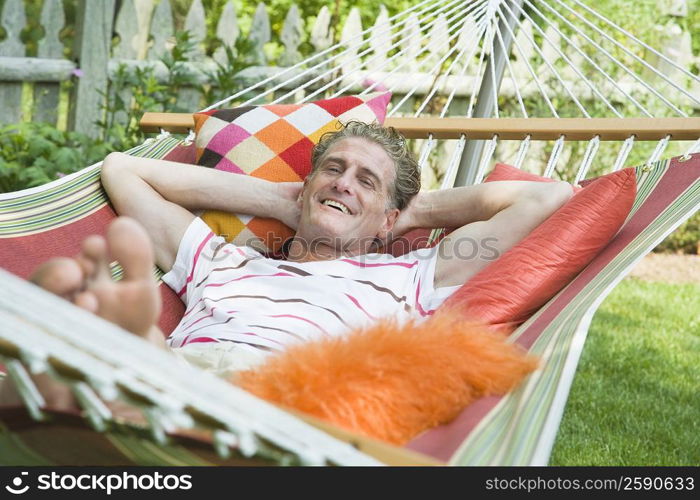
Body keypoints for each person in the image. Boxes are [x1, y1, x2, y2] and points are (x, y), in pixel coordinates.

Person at [0, 121, 573, 410]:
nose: (343, 183)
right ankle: (86, 363)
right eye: (333, 170)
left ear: (390, 217)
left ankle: (75, 362)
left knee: (97, 363)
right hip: (180, 376)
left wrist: (406, 214)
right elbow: (124, 168)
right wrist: (280, 199)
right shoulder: (221, 261)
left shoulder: (415, 274)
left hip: (294, 403)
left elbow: (547, 200)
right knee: (123, 358)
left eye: (365, 180)